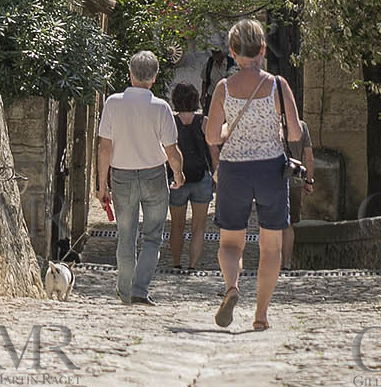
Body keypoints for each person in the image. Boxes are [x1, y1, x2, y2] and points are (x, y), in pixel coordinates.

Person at [205, 17, 304, 332]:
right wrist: (275, 129)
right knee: (271, 247)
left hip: (234, 169)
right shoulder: (278, 85)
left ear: (233, 52)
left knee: (230, 242)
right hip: (270, 169)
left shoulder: (224, 88)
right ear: (262, 49)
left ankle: (232, 286)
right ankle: (261, 315)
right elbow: (296, 134)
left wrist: (228, 129)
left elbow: (212, 136)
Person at [97, 50, 184, 305]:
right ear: (154, 78)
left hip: (122, 177)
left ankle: (125, 292)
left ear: (130, 74)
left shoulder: (113, 103)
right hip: (154, 175)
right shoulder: (161, 108)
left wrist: (102, 185)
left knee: (126, 237)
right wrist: (178, 174)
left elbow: (104, 149)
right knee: (153, 236)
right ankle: (139, 289)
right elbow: (172, 151)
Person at [168, 80, 217, 272]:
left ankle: (176, 263)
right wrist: (216, 175)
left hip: (177, 178)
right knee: (199, 227)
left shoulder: (171, 122)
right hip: (201, 178)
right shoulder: (204, 122)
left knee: (176, 226)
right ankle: (193, 265)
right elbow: (213, 151)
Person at [281, 114, 316, 269]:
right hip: (294, 181)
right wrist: (308, 181)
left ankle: (271, 262)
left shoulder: (270, 125)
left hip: (271, 182)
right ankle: (286, 263)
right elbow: (309, 157)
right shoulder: (301, 126)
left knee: (270, 223)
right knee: (289, 225)